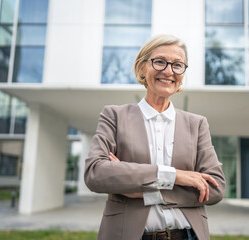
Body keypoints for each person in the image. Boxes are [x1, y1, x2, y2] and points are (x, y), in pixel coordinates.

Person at [85, 34, 226, 240]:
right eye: (160, 62)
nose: (168, 71)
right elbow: (96, 173)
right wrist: (175, 176)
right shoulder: (114, 116)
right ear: (142, 67)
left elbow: (215, 188)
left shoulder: (197, 124)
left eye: (177, 65)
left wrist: (144, 191)